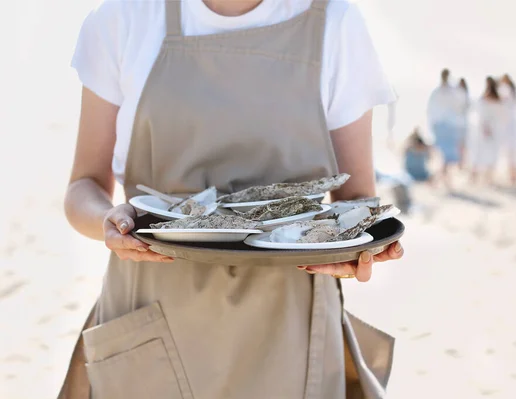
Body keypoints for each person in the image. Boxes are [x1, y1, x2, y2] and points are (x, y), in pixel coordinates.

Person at [59, 1, 404, 398]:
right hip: (150, 318)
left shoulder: (336, 23)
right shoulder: (124, 19)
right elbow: (82, 187)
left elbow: (355, 202)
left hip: (290, 328)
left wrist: (359, 251)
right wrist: (108, 220)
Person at [426, 69, 462, 188]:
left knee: (447, 155)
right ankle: (441, 180)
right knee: (445, 155)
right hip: (445, 126)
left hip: (445, 125)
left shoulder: (442, 91)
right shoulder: (446, 91)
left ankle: (441, 180)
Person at [470, 77, 506, 183]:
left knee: (480, 153)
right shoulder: (498, 99)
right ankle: (488, 177)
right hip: (494, 128)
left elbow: (481, 113)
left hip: (486, 127)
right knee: (490, 153)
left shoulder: (485, 97)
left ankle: (476, 177)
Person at [497, 74, 516, 184]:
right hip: (510, 125)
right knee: (512, 151)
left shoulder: (505, 90)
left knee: (509, 151)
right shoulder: (511, 91)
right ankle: (513, 175)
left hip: (507, 125)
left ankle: (513, 175)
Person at [456, 78, 470, 168]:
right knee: (460, 145)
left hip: (462, 123)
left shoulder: (462, 96)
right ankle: (460, 162)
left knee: (462, 145)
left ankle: (461, 162)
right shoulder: (461, 95)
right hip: (459, 123)